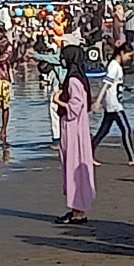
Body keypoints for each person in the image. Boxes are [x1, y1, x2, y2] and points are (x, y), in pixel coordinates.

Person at [53, 45, 95, 224]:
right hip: (78, 127)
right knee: (75, 165)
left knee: (73, 164)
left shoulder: (73, 80)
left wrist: (57, 100)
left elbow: (75, 106)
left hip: (73, 128)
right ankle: (78, 209)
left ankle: (78, 211)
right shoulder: (80, 78)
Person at [91, 42, 134, 165]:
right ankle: (132, 158)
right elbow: (106, 84)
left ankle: (88, 153)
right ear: (122, 53)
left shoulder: (116, 66)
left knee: (104, 130)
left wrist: (127, 88)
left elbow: (114, 85)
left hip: (113, 102)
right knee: (126, 129)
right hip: (114, 104)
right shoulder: (114, 66)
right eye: (129, 56)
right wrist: (98, 101)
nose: (129, 59)